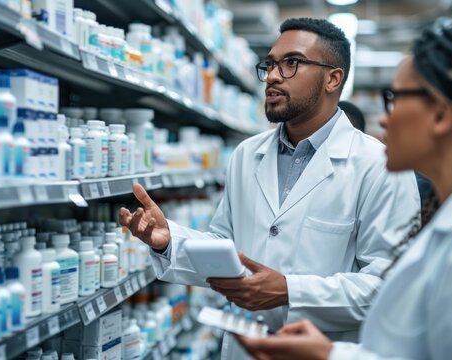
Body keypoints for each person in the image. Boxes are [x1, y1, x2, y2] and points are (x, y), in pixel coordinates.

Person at [120, 18, 419, 359]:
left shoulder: (379, 165)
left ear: (333, 79)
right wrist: (171, 240)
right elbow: (227, 248)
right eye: (271, 64)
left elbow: (389, 286)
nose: (273, 76)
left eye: (291, 63)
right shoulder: (247, 154)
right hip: (245, 348)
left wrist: (290, 291)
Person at [236, 22, 452, 360]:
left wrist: (331, 356)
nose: (384, 121)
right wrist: (331, 352)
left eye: (395, 99)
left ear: (441, 114)